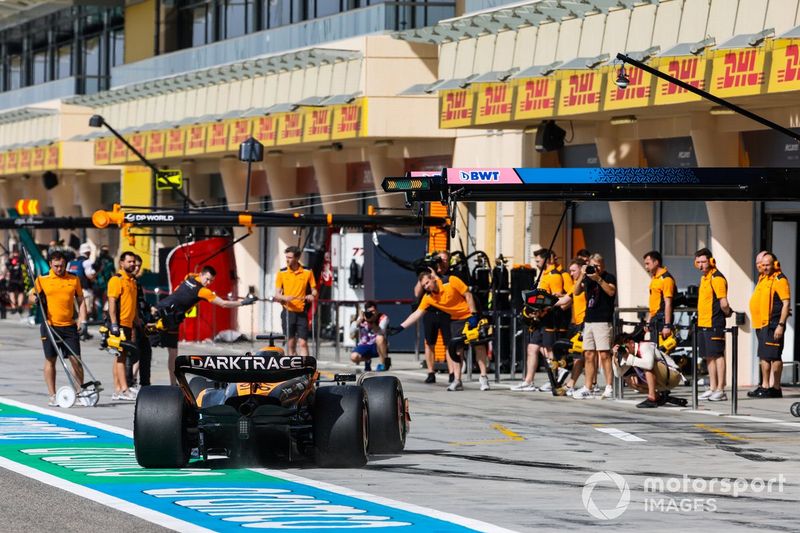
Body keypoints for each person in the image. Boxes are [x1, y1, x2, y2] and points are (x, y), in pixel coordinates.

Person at [156, 265, 255, 384]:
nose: (208, 283)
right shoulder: (203, 291)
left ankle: (171, 383)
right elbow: (223, 304)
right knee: (168, 352)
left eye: (211, 281)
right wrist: (243, 303)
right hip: (168, 317)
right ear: (201, 274)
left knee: (159, 350)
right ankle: (171, 384)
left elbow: (181, 287)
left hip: (163, 310)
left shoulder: (190, 277)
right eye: (207, 279)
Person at [392, 270, 489, 391]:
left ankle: (484, 378)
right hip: (456, 320)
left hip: (471, 315)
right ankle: (457, 380)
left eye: (427, 283)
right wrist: (400, 327)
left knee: (479, 346)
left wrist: (474, 315)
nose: (426, 287)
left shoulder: (451, 281)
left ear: (433, 278)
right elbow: (417, 313)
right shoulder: (428, 298)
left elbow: (468, 295)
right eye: (424, 286)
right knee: (456, 350)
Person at [32, 251, 88, 406]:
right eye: (56, 266)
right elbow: (31, 296)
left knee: (76, 360)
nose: (59, 269)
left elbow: (81, 300)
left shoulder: (73, 279)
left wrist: (82, 320)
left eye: (62, 266)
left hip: (69, 326)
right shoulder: (42, 279)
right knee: (50, 360)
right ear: (50, 264)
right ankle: (52, 395)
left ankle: (80, 393)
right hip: (50, 325)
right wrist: (35, 299)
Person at [512, 248, 570, 392]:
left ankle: (555, 377)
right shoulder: (544, 274)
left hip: (549, 318)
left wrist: (541, 309)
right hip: (539, 319)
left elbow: (556, 299)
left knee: (548, 349)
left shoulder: (555, 276)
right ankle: (528, 381)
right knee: (532, 348)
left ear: (547, 259)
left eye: (538, 261)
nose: (536, 263)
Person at [572, 253, 617, 400]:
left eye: (597, 265)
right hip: (589, 320)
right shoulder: (587, 277)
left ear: (603, 265)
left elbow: (611, 292)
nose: (595, 268)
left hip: (603, 320)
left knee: (604, 354)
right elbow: (576, 292)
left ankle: (609, 387)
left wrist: (598, 278)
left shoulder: (608, 277)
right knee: (588, 355)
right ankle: (588, 387)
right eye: (593, 265)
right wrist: (582, 275)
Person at [749, 252, 790, 399]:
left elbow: (786, 304)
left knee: (774, 356)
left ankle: (775, 388)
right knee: (764, 356)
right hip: (761, 324)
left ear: (775, 264)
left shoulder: (780, 279)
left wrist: (780, 325)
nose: (764, 267)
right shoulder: (764, 278)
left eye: (767, 265)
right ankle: (765, 386)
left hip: (773, 324)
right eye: (762, 265)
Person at [695, 248, 732, 402]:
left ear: (711, 261)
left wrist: (727, 313)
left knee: (718, 355)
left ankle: (721, 389)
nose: (701, 265)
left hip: (714, 322)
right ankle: (712, 387)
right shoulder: (704, 278)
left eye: (704, 262)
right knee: (709, 356)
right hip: (703, 322)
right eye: (698, 262)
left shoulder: (717, 278)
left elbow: (724, 303)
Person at [612, 332, 683, 408]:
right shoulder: (628, 355)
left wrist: (629, 358)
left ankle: (652, 398)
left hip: (673, 375)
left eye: (624, 346)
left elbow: (649, 365)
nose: (624, 349)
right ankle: (658, 397)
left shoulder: (644, 346)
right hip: (663, 381)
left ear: (632, 343)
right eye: (621, 348)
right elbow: (618, 374)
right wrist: (614, 358)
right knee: (630, 380)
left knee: (647, 365)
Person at [415, 250, 453, 384]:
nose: (441, 262)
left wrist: (436, 276)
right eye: (439, 259)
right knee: (430, 343)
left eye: (444, 260)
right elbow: (417, 293)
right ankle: (431, 372)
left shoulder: (450, 275)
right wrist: (424, 275)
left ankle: (452, 373)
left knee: (449, 343)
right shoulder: (427, 275)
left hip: (446, 312)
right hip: (430, 312)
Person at [106, 251, 139, 401]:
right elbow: (112, 302)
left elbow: (133, 304)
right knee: (120, 356)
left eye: (133, 262)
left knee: (120, 356)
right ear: (121, 263)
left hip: (128, 324)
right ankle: (123, 389)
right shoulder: (117, 279)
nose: (132, 264)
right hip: (118, 324)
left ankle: (118, 389)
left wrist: (136, 321)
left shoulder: (132, 280)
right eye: (129, 261)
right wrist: (114, 324)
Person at [274, 246, 318, 356]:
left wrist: (312, 295)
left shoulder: (307, 272)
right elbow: (277, 294)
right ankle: (293, 364)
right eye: (286, 257)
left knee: (303, 343)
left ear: (297, 258)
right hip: (288, 312)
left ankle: (306, 365)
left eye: (290, 257)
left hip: (302, 312)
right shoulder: (282, 272)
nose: (287, 260)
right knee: (291, 343)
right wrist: (285, 298)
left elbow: (314, 290)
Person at [555, 258, 587, 396]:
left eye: (574, 270)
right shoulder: (575, 285)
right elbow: (564, 301)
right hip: (577, 324)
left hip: (586, 323)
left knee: (582, 356)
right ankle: (573, 383)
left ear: (581, 269)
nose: (571, 273)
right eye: (570, 271)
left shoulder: (586, 283)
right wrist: (543, 302)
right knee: (578, 356)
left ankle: (576, 384)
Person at [643, 250, 676, 342]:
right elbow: (654, 303)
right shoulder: (655, 278)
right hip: (655, 318)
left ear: (656, 262)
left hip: (662, 319)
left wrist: (667, 325)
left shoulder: (666, 279)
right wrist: (648, 320)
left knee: (662, 348)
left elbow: (668, 303)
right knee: (654, 347)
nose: (646, 267)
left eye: (648, 263)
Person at [349, 301, 391, 371]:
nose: (371, 313)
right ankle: (367, 360)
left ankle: (383, 364)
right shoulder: (363, 317)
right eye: (369, 311)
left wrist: (371, 322)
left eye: (373, 311)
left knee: (380, 337)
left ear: (377, 310)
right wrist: (360, 320)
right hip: (364, 345)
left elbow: (381, 332)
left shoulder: (383, 317)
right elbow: (351, 332)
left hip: (377, 346)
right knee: (353, 357)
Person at [67, 243, 95, 340]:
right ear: (88, 252)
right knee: (85, 311)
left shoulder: (71, 262)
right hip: (84, 290)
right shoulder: (87, 262)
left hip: (71, 291)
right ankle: (79, 331)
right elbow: (89, 275)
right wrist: (96, 275)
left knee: (78, 312)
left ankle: (80, 331)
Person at [92, 245, 115, 320]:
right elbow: (94, 269)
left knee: (108, 300)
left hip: (108, 283)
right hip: (99, 283)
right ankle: (99, 317)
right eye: (103, 251)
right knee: (99, 301)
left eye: (106, 251)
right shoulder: (98, 259)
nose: (104, 253)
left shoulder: (110, 259)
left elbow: (113, 271)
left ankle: (106, 317)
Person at [6, 249, 25, 318]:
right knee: (12, 293)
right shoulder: (10, 260)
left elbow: (24, 267)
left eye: (16, 253)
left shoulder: (21, 260)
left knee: (20, 292)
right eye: (15, 253)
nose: (15, 254)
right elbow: (8, 266)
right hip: (13, 279)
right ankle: (14, 307)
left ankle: (19, 306)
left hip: (20, 279)